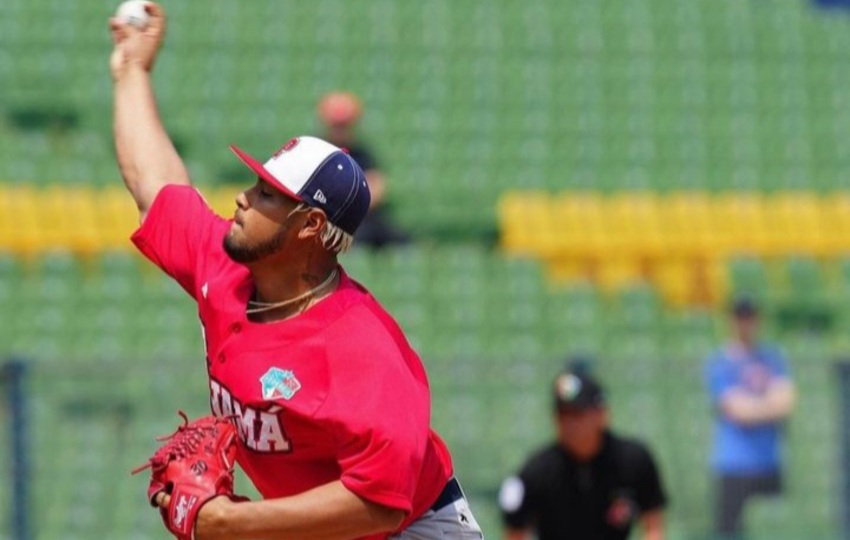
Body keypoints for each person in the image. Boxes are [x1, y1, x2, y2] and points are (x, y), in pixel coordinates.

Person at [108, 5, 482, 540]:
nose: (242, 197)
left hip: (415, 527)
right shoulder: (225, 268)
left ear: (309, 225)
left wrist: (230, 523)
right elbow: (154, 182)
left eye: (266, 194)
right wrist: (131, 72)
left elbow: (381, 504)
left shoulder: (362, 349)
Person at [498, 366, 667, 540]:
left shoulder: (633, 460)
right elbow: (515, 533)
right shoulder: (537, 471)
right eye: (563, 414)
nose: (570, 424)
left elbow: (653, 527)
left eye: (578, 414)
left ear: (602, 414)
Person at [705, 297, 796, 539]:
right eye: (740, 317)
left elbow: (786, 402)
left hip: (769, 463)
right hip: (733, 465)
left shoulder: (773, 358)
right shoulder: (721, 362)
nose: (745, 323)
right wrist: (767, 405)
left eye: (749, 317)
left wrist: (752, 406)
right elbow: (735, 409)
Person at [317, 91, 410, 249]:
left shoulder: (362, 154)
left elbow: (377, 189)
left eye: (344, 125)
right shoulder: (316, 151)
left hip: (360, 219)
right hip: (325, 220)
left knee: (398, 240)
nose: (340, 129)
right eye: (337, 125)